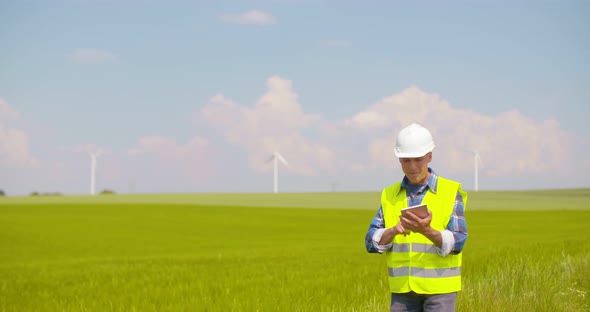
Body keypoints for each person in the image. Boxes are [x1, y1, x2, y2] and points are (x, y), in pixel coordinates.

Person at [364, 123, 468, 312]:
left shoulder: (450, 191)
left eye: (418, 159)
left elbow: (458, 241)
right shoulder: (389, 194)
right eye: (406, 160)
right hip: (402, 292)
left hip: (440, 292)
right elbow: (371, 242)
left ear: (429, 156)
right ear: (399, 160)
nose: (412, 167)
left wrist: (426, 231)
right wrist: (393, 230)